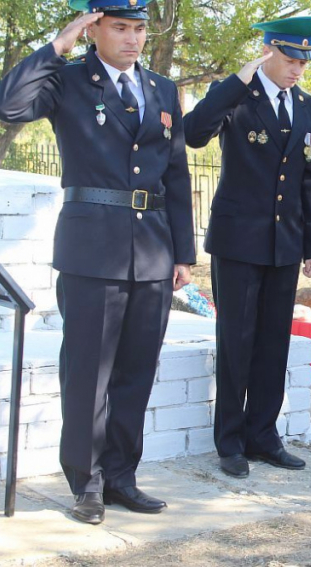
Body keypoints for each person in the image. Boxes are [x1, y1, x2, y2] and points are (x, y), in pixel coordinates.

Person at [0, 0, 195, 524]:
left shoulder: (161, 89)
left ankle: (122, 477)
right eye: (120, 28)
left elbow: (175, 173)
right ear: (94, 30)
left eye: (138, 29)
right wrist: (58, 45)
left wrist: (184, 253)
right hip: (91, 249)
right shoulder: (68, 79)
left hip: (153, 250)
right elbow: (11, 106)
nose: (132, 39)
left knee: (136, 371)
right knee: (89, 372)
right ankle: (86, 483)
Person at [183, 16, 311, 479]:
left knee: (272, 343)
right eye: (289, 59)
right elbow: (193, 133)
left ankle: (263, 435)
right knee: (237, 343)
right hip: (238, 241)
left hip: (285, 243)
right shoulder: (237, 98)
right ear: (267, 54)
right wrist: (233, 81)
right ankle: (229, 441)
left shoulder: (309, 105)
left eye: (303, 61)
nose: (297, 69)